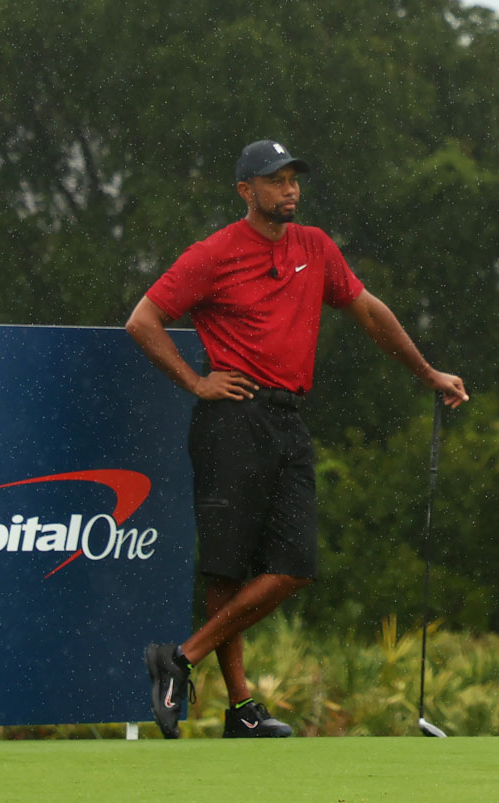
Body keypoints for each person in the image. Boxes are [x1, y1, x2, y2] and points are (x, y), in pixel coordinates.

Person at [126, 139, 467, 739]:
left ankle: (178, 659)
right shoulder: (214, 253)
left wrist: (428, 373)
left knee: (295, 566)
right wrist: (196, 382)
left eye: (293, 180)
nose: (290, 190)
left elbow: (368, 312)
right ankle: (241, 712)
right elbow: (143, 321)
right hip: (232, 418)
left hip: (288, 420)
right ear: (245, 192)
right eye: (275, 181)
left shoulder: (316, 247)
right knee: (228, 572)